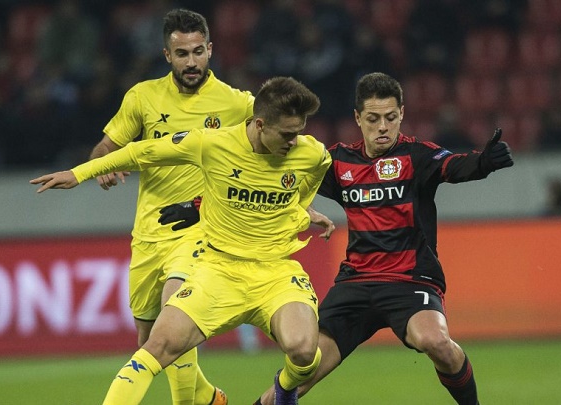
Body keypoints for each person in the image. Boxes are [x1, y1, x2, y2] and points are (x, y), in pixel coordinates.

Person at [30, 76, 332, 405]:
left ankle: (283, 391)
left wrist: (304, 210)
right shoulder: (212, 144)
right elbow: (143, 151)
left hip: (275, 273)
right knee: (155, 346)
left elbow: (300, 191)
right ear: (259, 124)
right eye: (287, 134)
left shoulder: (312, 155)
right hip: (217, 271)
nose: (294, 141)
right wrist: (79, 173)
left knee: (304, 352)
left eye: (299, 132)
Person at [252, 72, 514, 404]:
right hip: (356, 284)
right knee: (302, 371)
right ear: (358, 118)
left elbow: (453, 166)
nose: (383, 127)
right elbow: (279, 177)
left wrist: (483, 162)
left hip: (410, 280)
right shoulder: (337, 162)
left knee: (434, 341)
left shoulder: (416, 156)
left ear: (401, 114)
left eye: (390, 118)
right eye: (373, 119)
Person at [82, 9, 255, 405]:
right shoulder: (142, 97)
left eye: (198, 52)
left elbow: (279, 141)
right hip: (148, 232)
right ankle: (209, 398)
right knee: (149, 343)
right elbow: (107, 146)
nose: (191, 62)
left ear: (210, 49)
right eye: (182, 54)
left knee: (176, 314)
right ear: (167, 56)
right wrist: (101, 167)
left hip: (198, 228)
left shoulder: (236, 103)